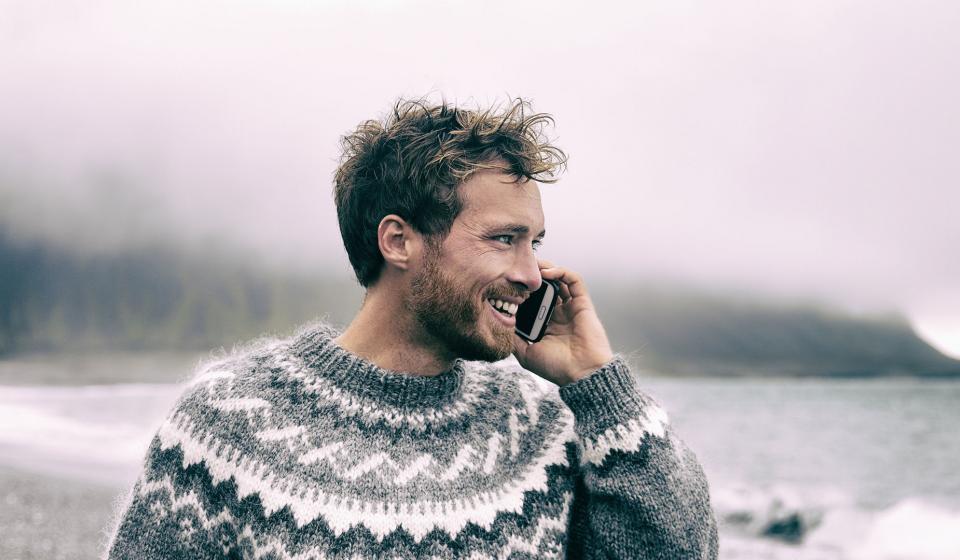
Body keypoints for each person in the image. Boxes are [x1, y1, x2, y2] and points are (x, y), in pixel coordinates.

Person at [105, 98, 719, 559]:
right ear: (399, 240)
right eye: (504, 239)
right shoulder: (230, 420)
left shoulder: (547, 431)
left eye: (535, 243)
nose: (535, 275)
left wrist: (601, 390)